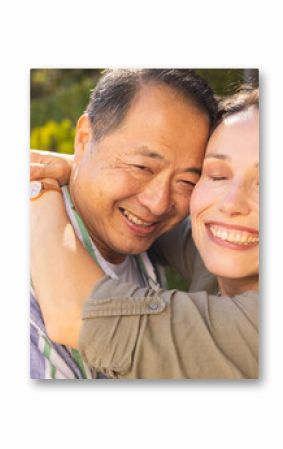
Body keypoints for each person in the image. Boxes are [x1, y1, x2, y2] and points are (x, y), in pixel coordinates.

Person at [30, 87, 259, 379]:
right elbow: (141, 216)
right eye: (216, 175)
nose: (230, 205)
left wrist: (38, 188)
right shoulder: (219, 247)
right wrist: (85, 163)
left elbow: (75, 314)